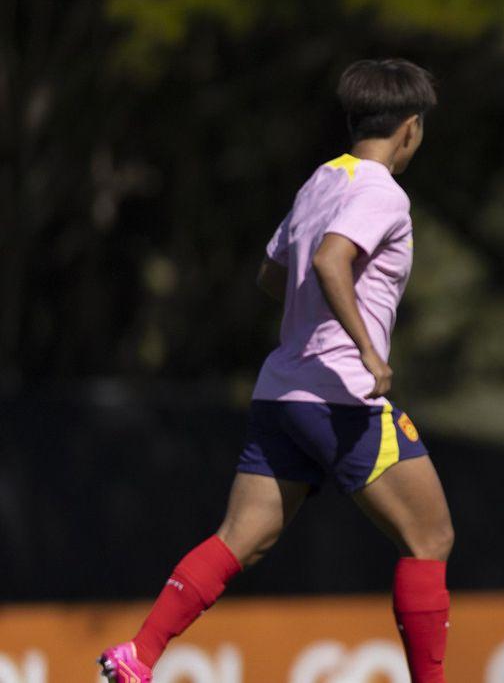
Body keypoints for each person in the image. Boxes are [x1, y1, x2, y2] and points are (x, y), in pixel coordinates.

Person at [99, 58, 454, 683]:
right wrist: (369, 351)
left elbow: (273, 272)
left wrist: (311, 316)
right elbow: (328, 260)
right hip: (341, 397)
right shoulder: (381, 192)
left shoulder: (321, 180)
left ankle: (137, 656)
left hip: (281, 394)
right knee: (431, 539)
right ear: (410, 128)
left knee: (243, 536)